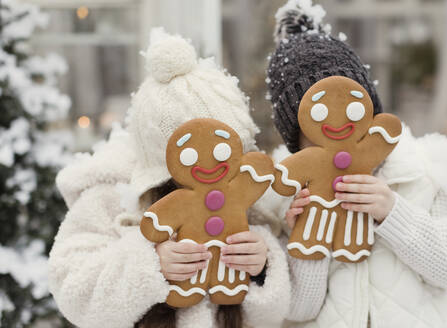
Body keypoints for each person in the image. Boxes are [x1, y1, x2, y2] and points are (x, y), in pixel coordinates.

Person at [48, 28, 290, 328]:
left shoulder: (248, 190)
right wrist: (149, 263)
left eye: (227, 149)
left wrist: (261, 268)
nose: (216, 164)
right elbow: (72, 286)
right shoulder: (112, 194)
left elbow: (281, 313)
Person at [262, 1, 447, 327]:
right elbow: (299, 310)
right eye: (317, 128)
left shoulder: (421, 172)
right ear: (297, 140)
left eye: (348, 113)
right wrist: (306, 242)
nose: (336, 135)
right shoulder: (290, 197)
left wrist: (394, 212)